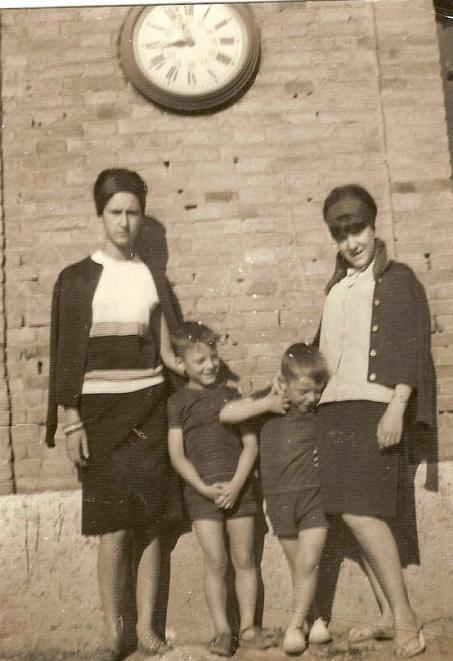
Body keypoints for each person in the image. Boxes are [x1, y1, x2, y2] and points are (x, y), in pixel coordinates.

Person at [46, 168, 184, 660]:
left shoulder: (152, 276)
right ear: (100, 215)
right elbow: (66, 356)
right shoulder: (77, 278)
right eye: (115, 212)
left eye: (133, 212)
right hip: (100, 417)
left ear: (142, 217)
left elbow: (168, 350)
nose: (125, 222)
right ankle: (115, 632)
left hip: (149, 409)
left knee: (150, 524)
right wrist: (71, 421)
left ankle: (146, 629)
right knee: (113, 526)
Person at [313, 184, 436, 658]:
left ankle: (406, 617)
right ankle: (387, 613)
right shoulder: (337, 287)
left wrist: (398, 405)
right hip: (334, 410)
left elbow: (413, 344)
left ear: (373, 226)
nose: (351, 243)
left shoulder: (399, 279)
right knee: (347, 511)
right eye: (341, 234)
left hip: (374, 407)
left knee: (363, 511)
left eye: (358, 230)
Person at [167, 322, 274, 658]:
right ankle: (222, 631)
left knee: (245, 559)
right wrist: (202, 488)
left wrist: (237, 485)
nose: (210, 365)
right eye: (200, 361)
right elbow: (177, 455)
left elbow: (250, 445)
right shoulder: (177, 403)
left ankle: (248, 627)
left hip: (239, 491)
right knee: (216, 561)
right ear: (181, 364)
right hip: (202, 496)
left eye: (213, 357)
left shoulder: (232, 396)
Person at [220, 343, 331, 655]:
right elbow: (227, 414)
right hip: (279, 499)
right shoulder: (270, 402)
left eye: (317, 391)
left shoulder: (321, 409)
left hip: (315, 496)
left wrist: (327, 451)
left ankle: (294, 626)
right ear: (283, 383)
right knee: (298, 566)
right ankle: (313, 618)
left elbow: (342, 435)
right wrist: (266, 403)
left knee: (308, 562)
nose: (311, 398)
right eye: (304, 391)